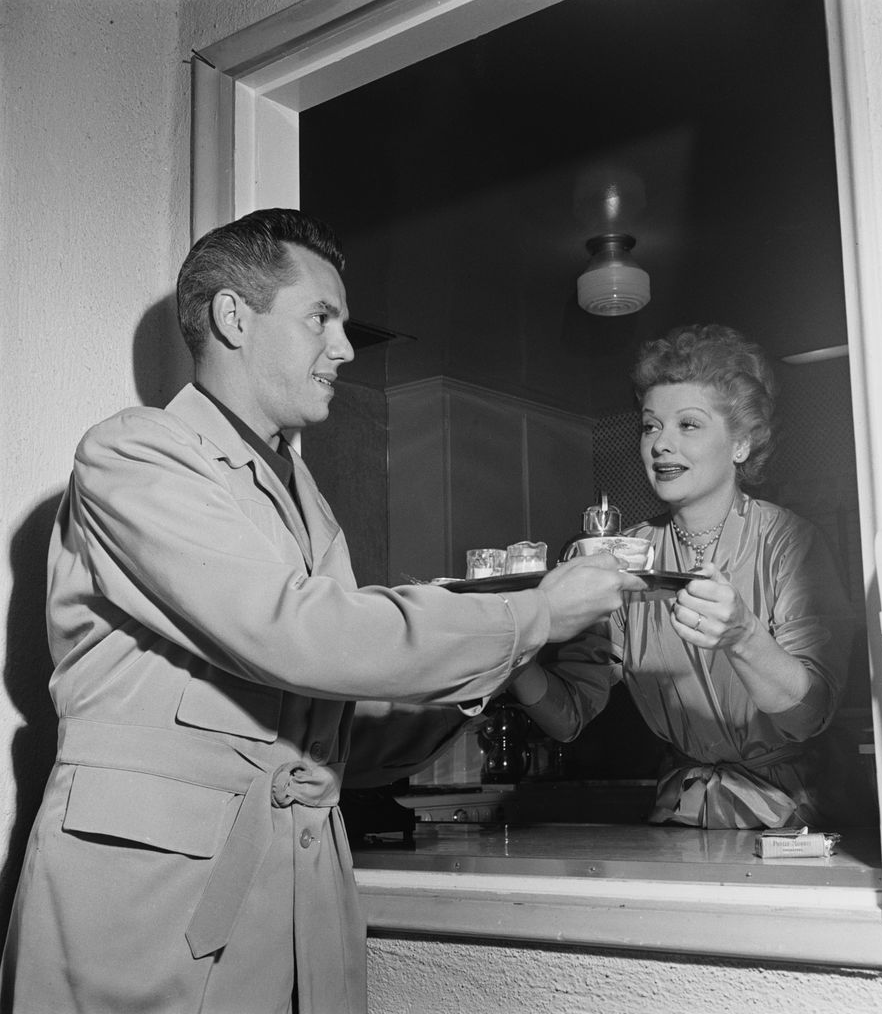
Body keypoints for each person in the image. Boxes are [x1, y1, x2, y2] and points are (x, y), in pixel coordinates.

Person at [0, 208, 644, 1013]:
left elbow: (347, 727)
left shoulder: (306, 502)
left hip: (292, 914)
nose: (344, 347)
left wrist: (506, 655)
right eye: (321, 318)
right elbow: (296, 633)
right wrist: (532, 614)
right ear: (234, 317)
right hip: (146, 915)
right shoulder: (133, 455)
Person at [509, 325, 856, 830]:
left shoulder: (791, 542)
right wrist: (514, 647)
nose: (660, 445)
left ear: (741, 443)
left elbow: (809, 715)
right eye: (651, 426)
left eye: (688, 425)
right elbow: (567, 718)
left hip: (799, 818)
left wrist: (744, 637)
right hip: (684, 815)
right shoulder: (621, 556)